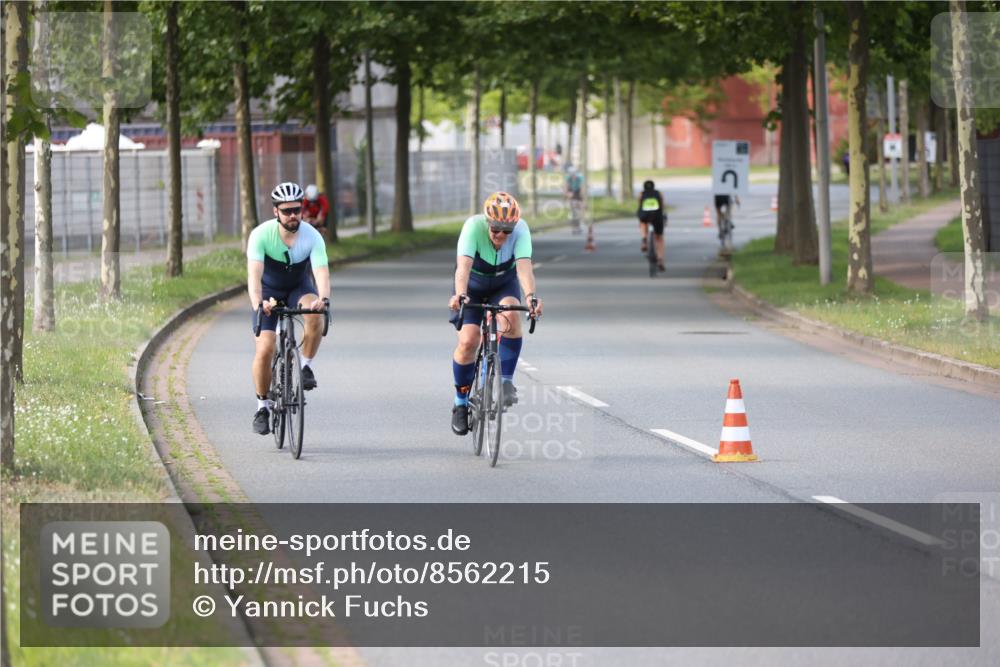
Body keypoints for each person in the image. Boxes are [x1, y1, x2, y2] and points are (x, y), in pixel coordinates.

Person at [447, 192, 543, 436]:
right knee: (469, 340)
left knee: (512, 315)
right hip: (473, 287)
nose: (501, 235)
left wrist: (531, 297)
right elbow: (463, 268)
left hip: (503, 284)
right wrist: (460, 294)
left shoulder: (521, 229)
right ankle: (460, 405)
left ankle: (506, 381)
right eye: (496, 230)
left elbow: (523, 267)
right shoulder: (472, 227)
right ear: (488, 223)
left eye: (506, 231)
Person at [247, 182, 331, 435]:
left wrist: (323, 298)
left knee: (315, 314)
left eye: (297, 209)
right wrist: (258, 303)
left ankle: (305, 365)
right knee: (265, 348)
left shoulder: (312, 236)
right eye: (287, 211)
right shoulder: (261, 235)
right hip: (269, 291)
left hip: (298, 286)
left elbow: (321, 273)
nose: (293, 215)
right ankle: (262, 406)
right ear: (276, 212)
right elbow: (253, 276)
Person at [637, 180, 666, 271]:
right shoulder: (659, 193)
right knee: (659, 238)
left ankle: (644, 239)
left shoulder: (641, 194)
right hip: (657, 216)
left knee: (642, 223)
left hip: (645, 215)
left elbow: (639, 206)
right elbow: (662, 206)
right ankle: (660, 259)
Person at [564, 165, 584, 233]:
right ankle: (574, 226)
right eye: (571, 175)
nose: (573, 176)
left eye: (574, 174)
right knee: (573, 211)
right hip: (572, 192)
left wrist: (581, 197)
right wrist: (567, 194)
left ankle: (579, 225)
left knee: (578, 210)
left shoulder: (580, 177)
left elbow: (582, 188)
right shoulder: (568, 178)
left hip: (578, 193)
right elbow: (566, 187)